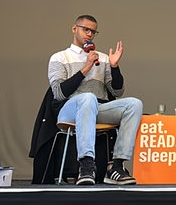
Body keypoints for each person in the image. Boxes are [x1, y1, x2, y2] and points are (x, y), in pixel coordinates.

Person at [48, 14, 143, 185]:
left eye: (93, 32)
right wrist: (86, 67)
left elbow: (117, 91)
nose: (89, 34)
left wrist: (114, 67)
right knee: (87, 98)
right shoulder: (60, 57)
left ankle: (117, 165)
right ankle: (86, 165)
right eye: (86, 29)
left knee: (134, 104)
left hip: (96, 108)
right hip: (70, 110)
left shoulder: (103, 58)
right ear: (74, 28)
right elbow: (59, 93)